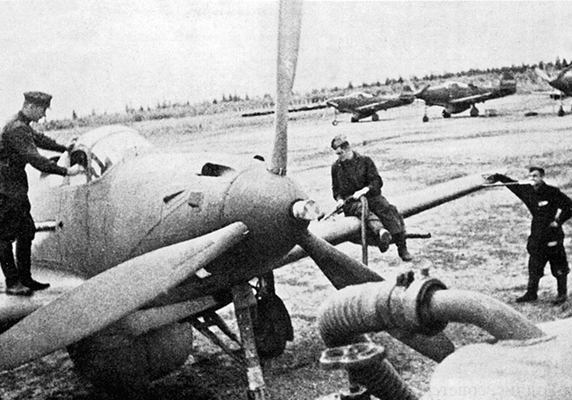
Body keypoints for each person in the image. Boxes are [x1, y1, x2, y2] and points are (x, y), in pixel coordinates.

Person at [0, 91, 83, 296]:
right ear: (30, 107)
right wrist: (66, 171)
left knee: (26, 230)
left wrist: (64, 148)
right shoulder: (17, 128)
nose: (44, 115)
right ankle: (12, 282)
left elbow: (40, 139)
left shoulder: (22, 125)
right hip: (6, 188)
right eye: (43, 110)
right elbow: (35, 158)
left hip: (14, 185)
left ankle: (25, 278)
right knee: (5, 235)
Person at [487, 167, 572, 305]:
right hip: (537, 234)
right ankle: (531, 293)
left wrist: (558, 221)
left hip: (552, 234)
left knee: (558, 265)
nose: (532, 179)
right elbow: (513, 186)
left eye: (535, 176)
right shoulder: (528, 191)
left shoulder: (552, 192)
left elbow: (569, 206)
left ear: (542, 177)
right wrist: (498, 177)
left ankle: (561, 294)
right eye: (530, 176)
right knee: (534, 265)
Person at [330, 134, 412, 261]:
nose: (339, 157)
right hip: (351, 203)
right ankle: (381, 233)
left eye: (340, 153)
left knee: (388, 208)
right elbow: (336, 190)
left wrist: (364, 190)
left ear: (348, 148)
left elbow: (377, 182)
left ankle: (402, 247)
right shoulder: (336, 167)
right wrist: (340, 199)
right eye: (337, 154)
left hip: (370, 196)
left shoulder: (365, 161)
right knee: (362, 209)